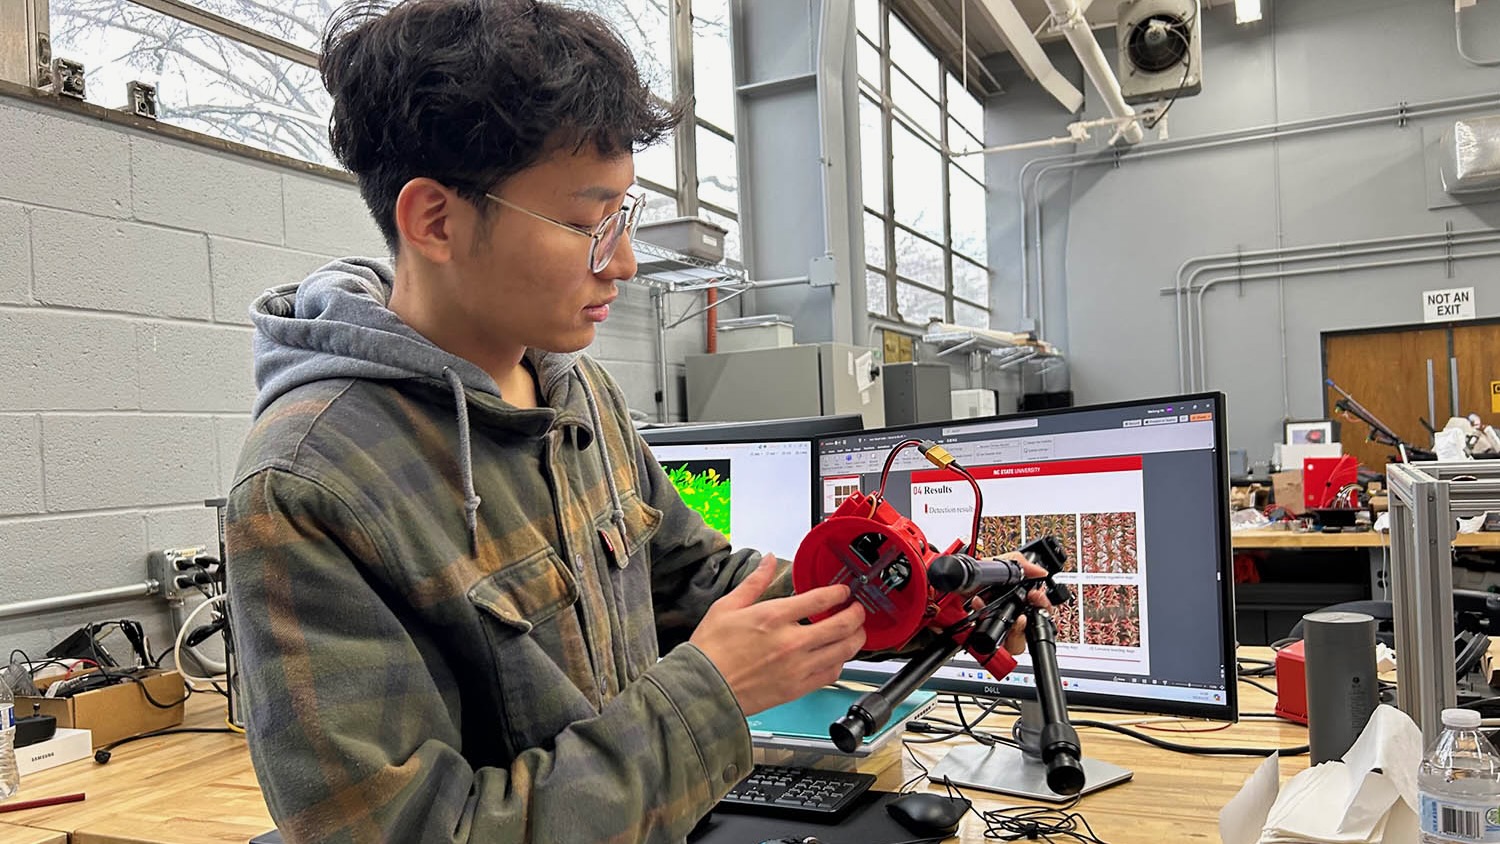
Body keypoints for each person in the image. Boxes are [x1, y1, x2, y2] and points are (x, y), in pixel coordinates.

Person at [225, 1, 1044, 842]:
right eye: (587, 225)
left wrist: (912, 598)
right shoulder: (307, 486)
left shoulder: (573, 393)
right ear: (435, 220)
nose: (621, 262)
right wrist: (711, 696)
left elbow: (695, 584)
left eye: (625, 217)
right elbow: (413, 831)